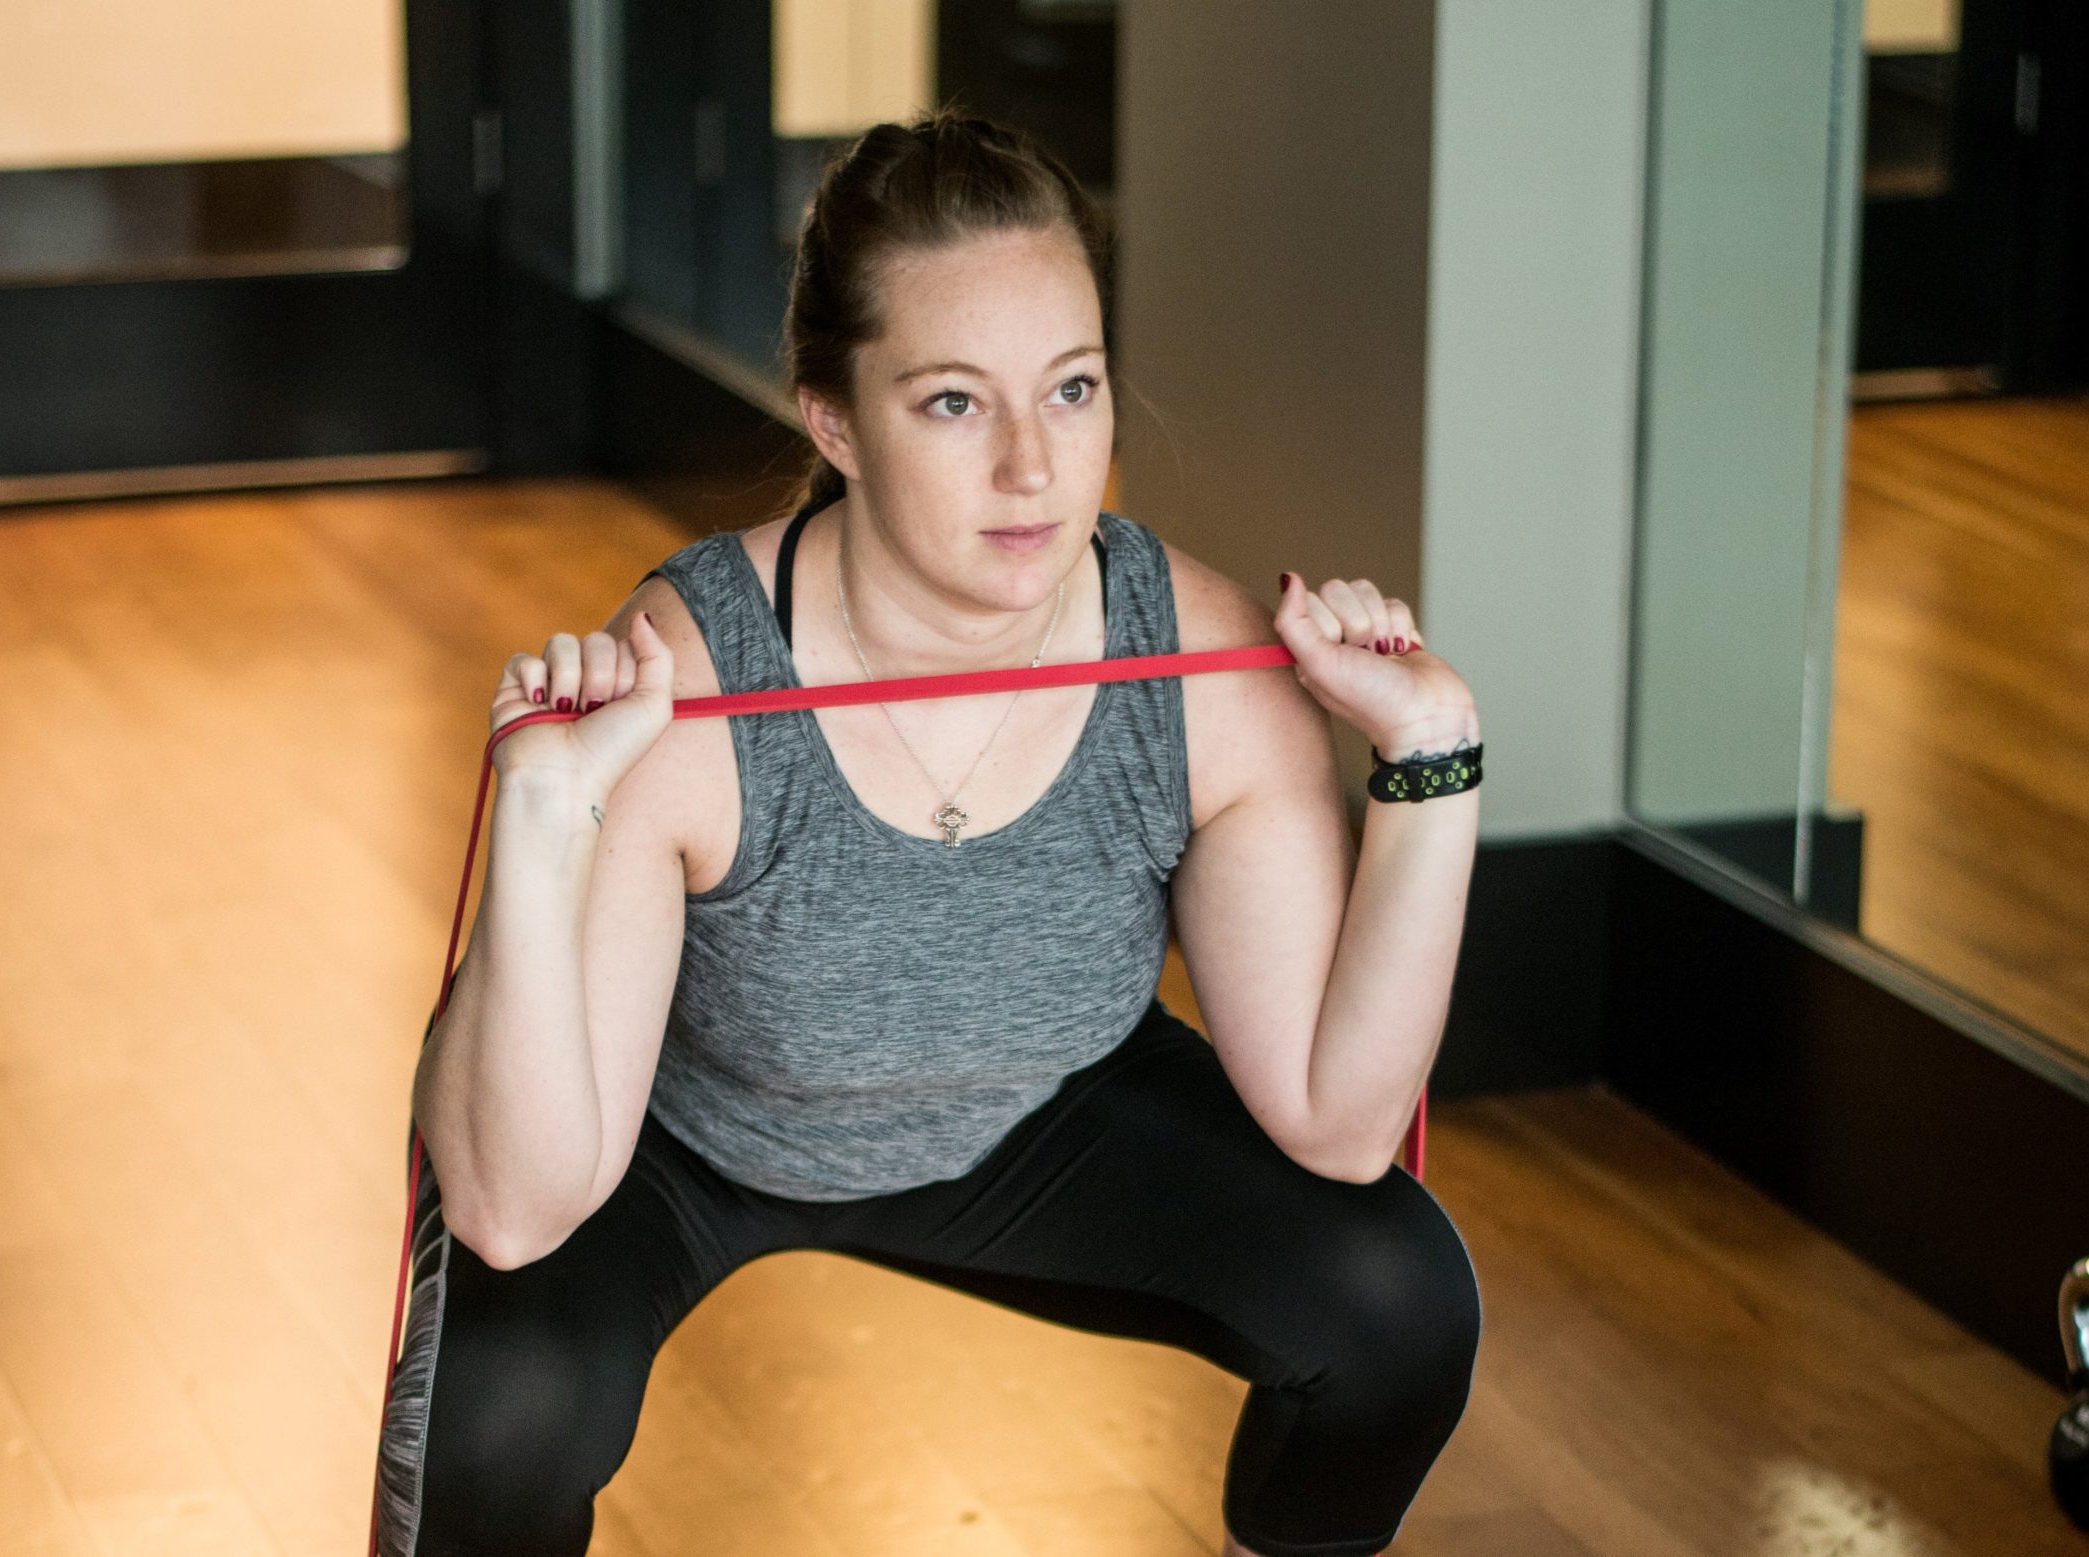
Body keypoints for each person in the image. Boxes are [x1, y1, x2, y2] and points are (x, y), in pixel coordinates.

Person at [373, 108, 1486, 1557]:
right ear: (833, 419)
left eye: (1072, 388)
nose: (1034, 464)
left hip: (1037, 1108)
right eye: (955, 402)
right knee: (504, 1403)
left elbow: (1341, 1126)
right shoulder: (692, 674)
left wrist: (1428, 758)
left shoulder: (1204, 663)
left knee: (1400, 1301)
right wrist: (544, 818)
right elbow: (518, 1210)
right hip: (694, 1128)